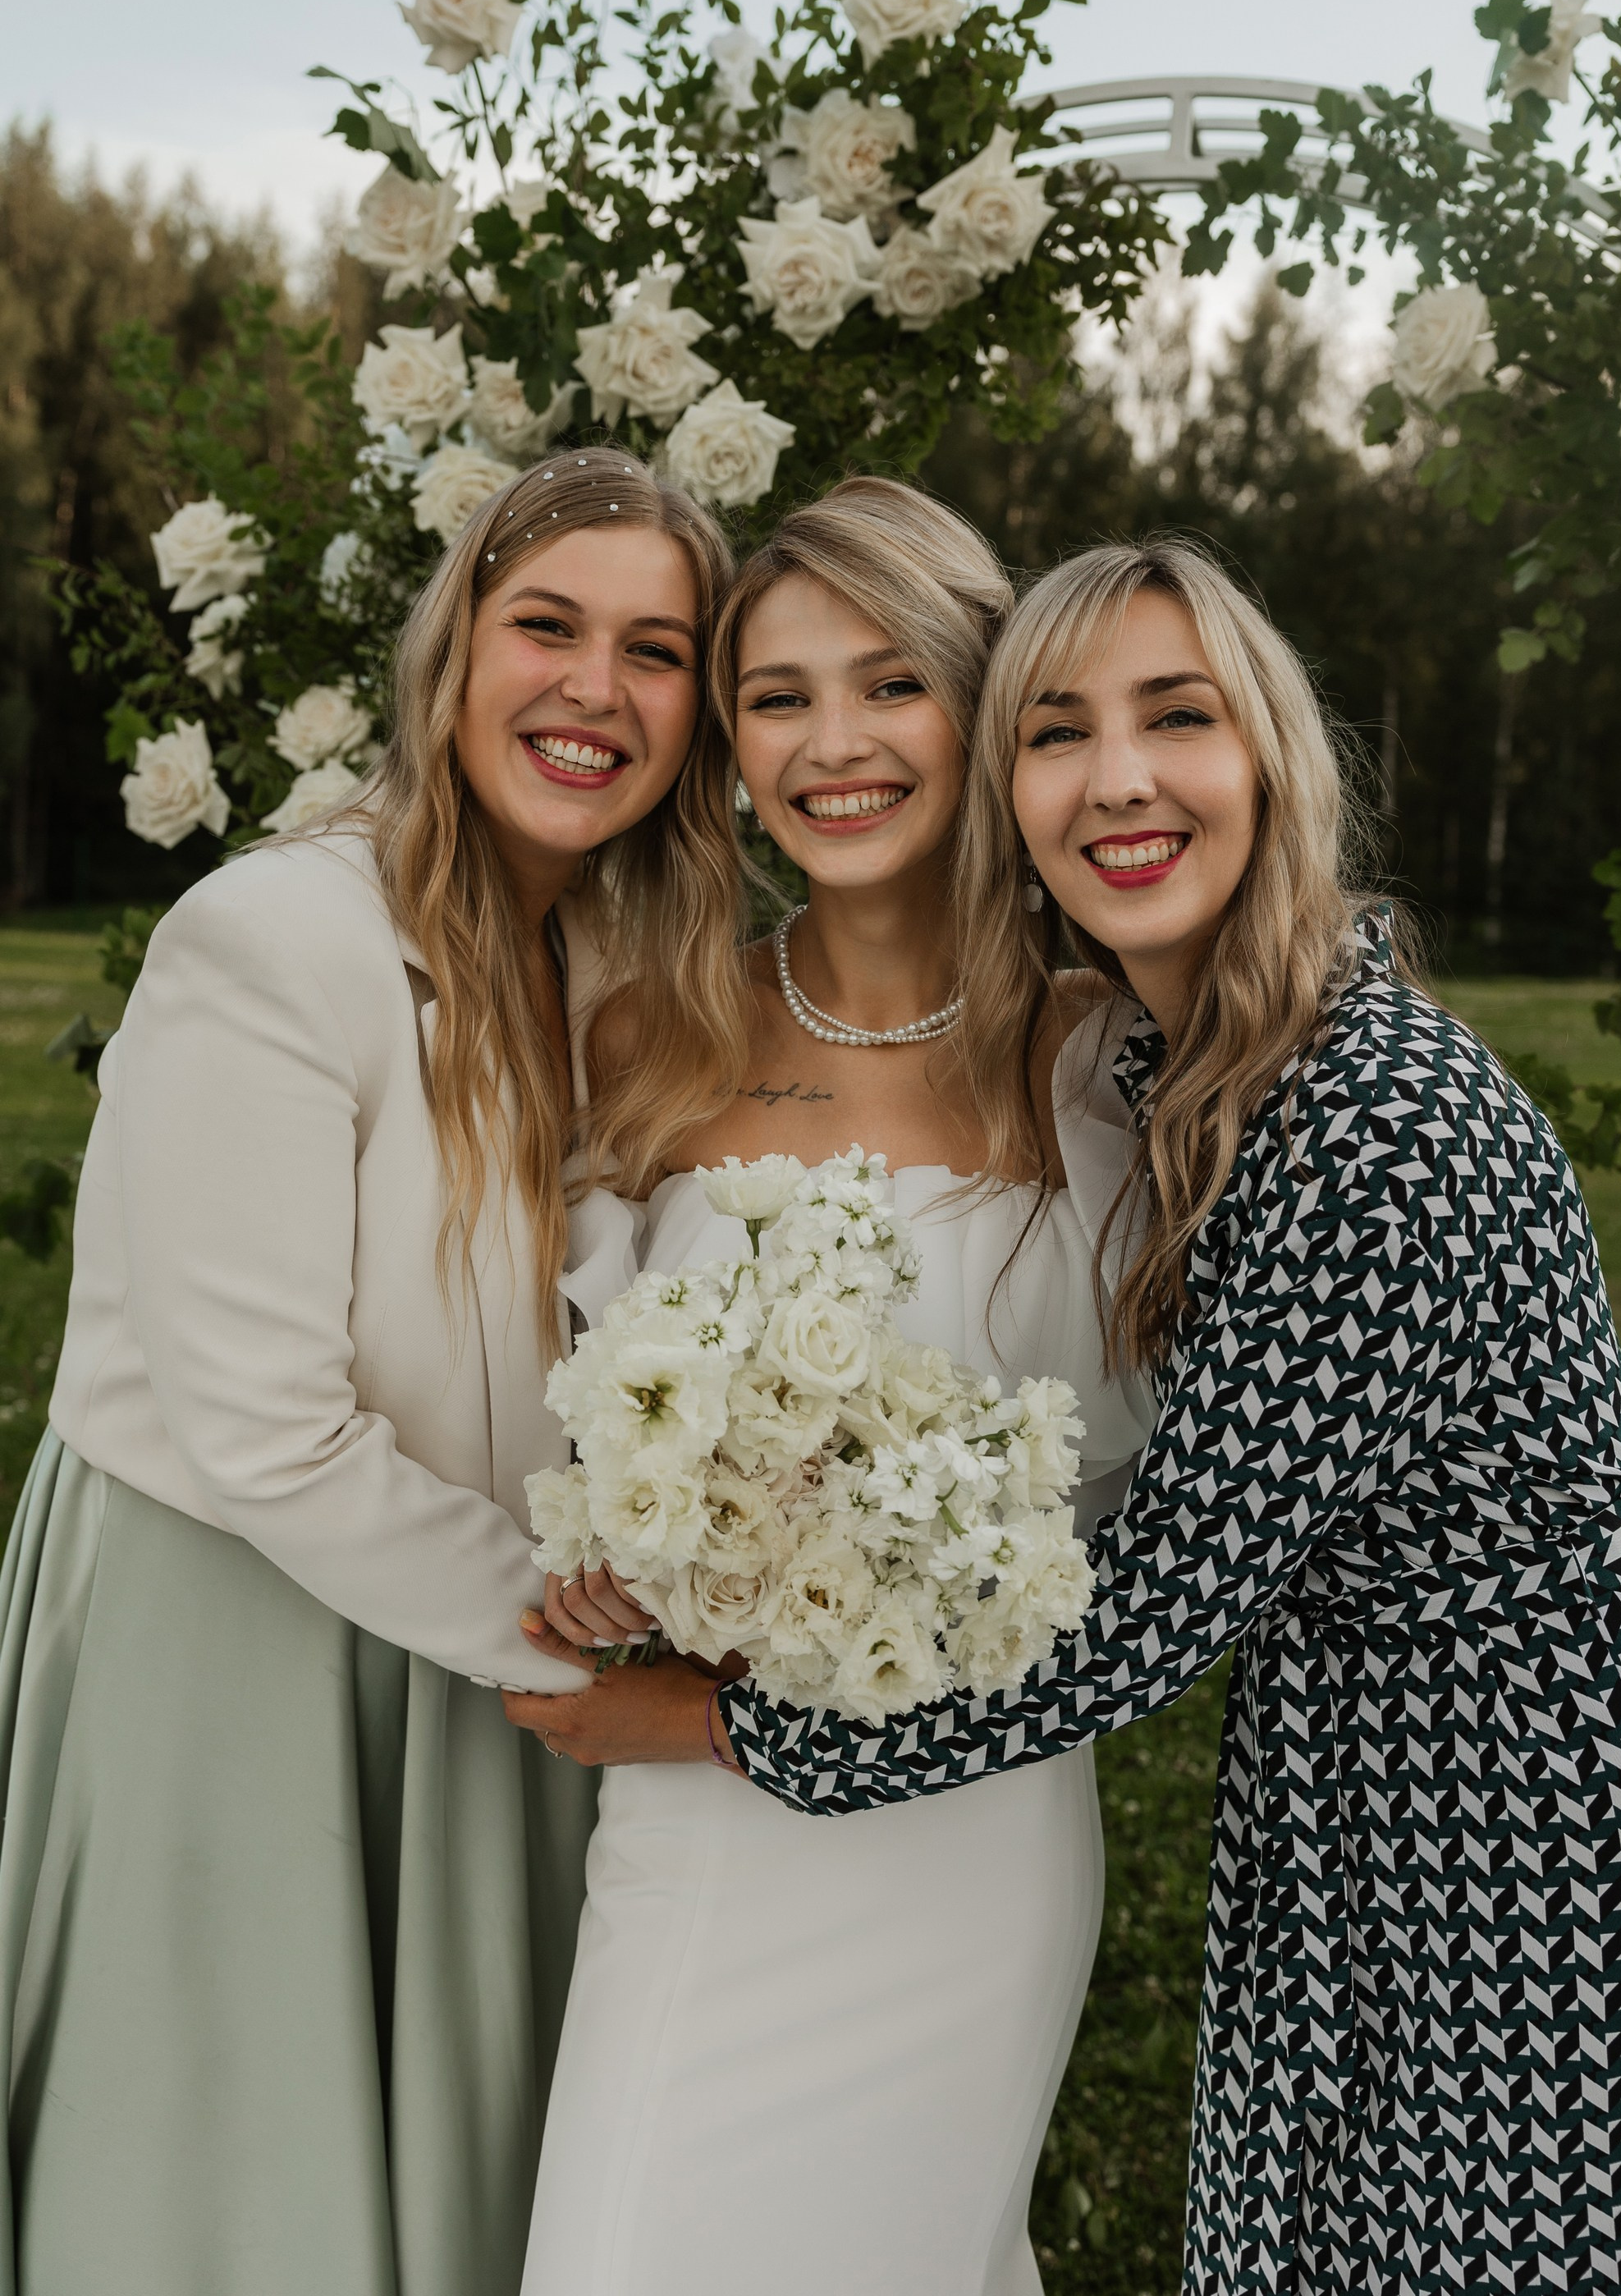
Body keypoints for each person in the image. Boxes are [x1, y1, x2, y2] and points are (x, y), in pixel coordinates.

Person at [519, 535, 1621, 2294]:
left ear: (1273, 750)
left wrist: (718, 1727)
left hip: (1506, 1839)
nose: (1117, 779)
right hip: (1345, 1803)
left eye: (1176, 717)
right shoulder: (1199, 1070)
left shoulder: (1378, 1129)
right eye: (1063, 732)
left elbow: (1146, 1612)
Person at [5, 447, 733, 2296]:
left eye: (656, 652)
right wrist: (586, 1645)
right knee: (238, 2172)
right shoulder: (270, 940)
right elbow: (264, 1430)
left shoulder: (615, 959)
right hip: (238, 1627)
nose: (594, 688)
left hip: (477, 1624)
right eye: (548, 625)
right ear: (454, 648)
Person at [510, 479, 1154, 2296]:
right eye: (777, 698)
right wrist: (603, 1552)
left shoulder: (1108, 1061)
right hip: (701, 1811)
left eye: (890, 684)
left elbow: (1158, 1500)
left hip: (978, 1818)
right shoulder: (651, 1033)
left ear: (982, 704)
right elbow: (564, 1395)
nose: (833, 744)